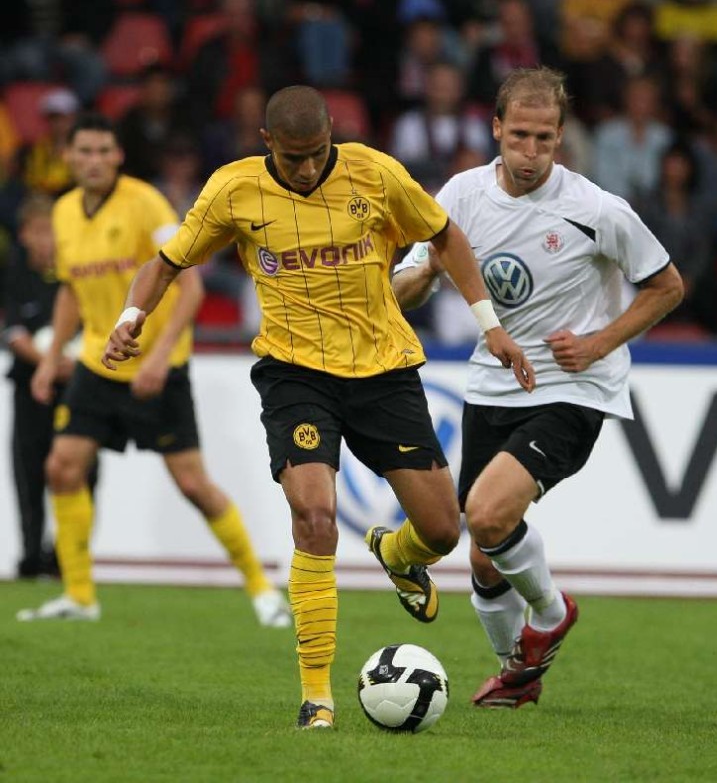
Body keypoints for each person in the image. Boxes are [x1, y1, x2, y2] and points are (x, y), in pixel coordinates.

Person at [101, 85, 532, 729]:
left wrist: (489, 324)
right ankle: (316, 696)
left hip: (383, 370)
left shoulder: (376, 174)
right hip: (294, 373)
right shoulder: (233, 189)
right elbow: (165, 264)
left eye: (317, 153)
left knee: (444, 531)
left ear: (332, 133)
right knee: (313, 516)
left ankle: (400, 554)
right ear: (267, 143)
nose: (306, 168)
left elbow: (446, 237)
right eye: (293, 156)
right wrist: (130, 317)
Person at [392, 67, 684, 708]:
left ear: (560, 137)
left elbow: (667, 286)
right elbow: (403, 289)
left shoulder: (596, 210)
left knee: (486, 514)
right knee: (484, 556)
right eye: (519, 136)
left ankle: (551, 614)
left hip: (573, 387)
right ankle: (516, 675)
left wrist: (598, 343)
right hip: (492, 384)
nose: (530, 152)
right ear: (496, 128)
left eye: (544, 139)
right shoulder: (461, 195)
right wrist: (431, 268)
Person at [17, 113, 290, 630]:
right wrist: (50, 360)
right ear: (68, 157)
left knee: (193, 484)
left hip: (157, 368)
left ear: (118, 155)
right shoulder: (64, 212)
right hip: (98, 363)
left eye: (104, 151)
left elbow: (190, 287)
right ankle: (79, 596)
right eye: (85, 151)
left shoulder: (146, 203)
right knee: (62, 467)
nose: (95, 161)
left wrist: (163, 356)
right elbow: (72, 290)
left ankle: (262, 589)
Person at [4, 193, 94, 579]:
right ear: (25, 234)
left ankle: (67, 556)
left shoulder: (79, 271)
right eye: (40, 231)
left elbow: (96, 325)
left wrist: (69, 362)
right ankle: (30, 555)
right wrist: (49, 364)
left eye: (52, 231)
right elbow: (13, 332)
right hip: (30, 388)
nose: (48, 240)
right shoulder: (14, 274)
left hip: (78, 387)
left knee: (81, 471)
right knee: (29, 469)